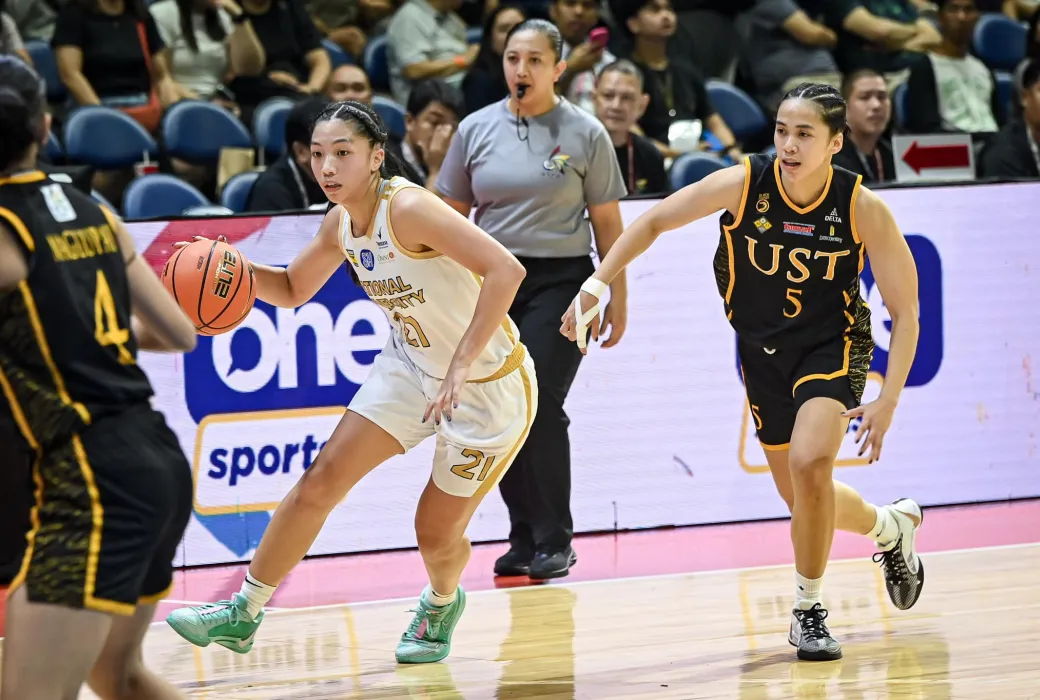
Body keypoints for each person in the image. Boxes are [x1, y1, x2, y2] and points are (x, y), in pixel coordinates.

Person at [561, 82, 925, 662]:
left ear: (834, 143)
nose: (788, 143)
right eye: (782, 130)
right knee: (803, 493)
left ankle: (808, 610)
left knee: (811, 465)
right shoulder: (744, 183)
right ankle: (889, 528)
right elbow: (654, 221)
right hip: (762, 352)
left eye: (804, 134)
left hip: (833, 346)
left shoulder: (860, 206)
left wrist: (890, 400)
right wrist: (595, 285)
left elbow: (906, 313)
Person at [166, 100, 537, 664]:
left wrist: (461, 363)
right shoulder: (339, 222)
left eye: (343, 153)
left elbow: (507, 269)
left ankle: (441, 601)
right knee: (321, 479)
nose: (328, 167)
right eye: (318, 155)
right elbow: (292, 288)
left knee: (435, 534)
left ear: (376, 158)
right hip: (412, 367)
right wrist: (233, 272)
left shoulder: (410, 209)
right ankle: (244, 612)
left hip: (487, 384)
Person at [0, 55, 198, 699]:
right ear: (46, 126)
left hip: (90, 476)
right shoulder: (95, 212)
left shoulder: (4, 231)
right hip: (158, 457)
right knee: (121, 678)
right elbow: (179, 334)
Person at [434, 18, 628, 580]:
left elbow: (610, 225)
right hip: (493, 283)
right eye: (513, 58)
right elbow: (448, 218)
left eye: (535, 60)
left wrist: (615, 295)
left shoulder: (586, 132)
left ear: (559, 68)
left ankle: (554, 539)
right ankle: (522, 536)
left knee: (539, 399)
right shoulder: (473, 129)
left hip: (564, 281)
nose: (521, 69)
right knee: (501, 409)